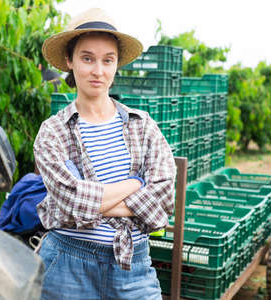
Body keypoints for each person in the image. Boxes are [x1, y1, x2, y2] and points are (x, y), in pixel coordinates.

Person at [34, 8, 176, 300]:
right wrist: (135, 185)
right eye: (87, 58)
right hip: (66, 267)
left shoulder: (143, 126)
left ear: (116, 64)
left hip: (132, 268)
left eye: (107, 60)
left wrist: (88, 204)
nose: (98, 71)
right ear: (69, 61)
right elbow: (70, 200)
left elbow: (162, 201)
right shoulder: (53, 132)